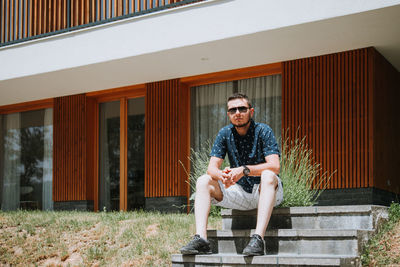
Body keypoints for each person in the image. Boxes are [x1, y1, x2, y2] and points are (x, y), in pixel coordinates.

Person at [180, 93, 283, 256]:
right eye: (233, 110)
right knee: (203, 180)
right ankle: (201, 239)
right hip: (240, 193)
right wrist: (223, 176)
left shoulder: (263, 131)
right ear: (228, 114)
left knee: (268, 176)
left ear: (251, 111)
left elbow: (275, 166)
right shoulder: (224, 133)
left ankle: (258, 239)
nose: (237, 113)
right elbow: (211, 168)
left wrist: (243, 170)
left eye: (242, 108)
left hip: (265, 191)